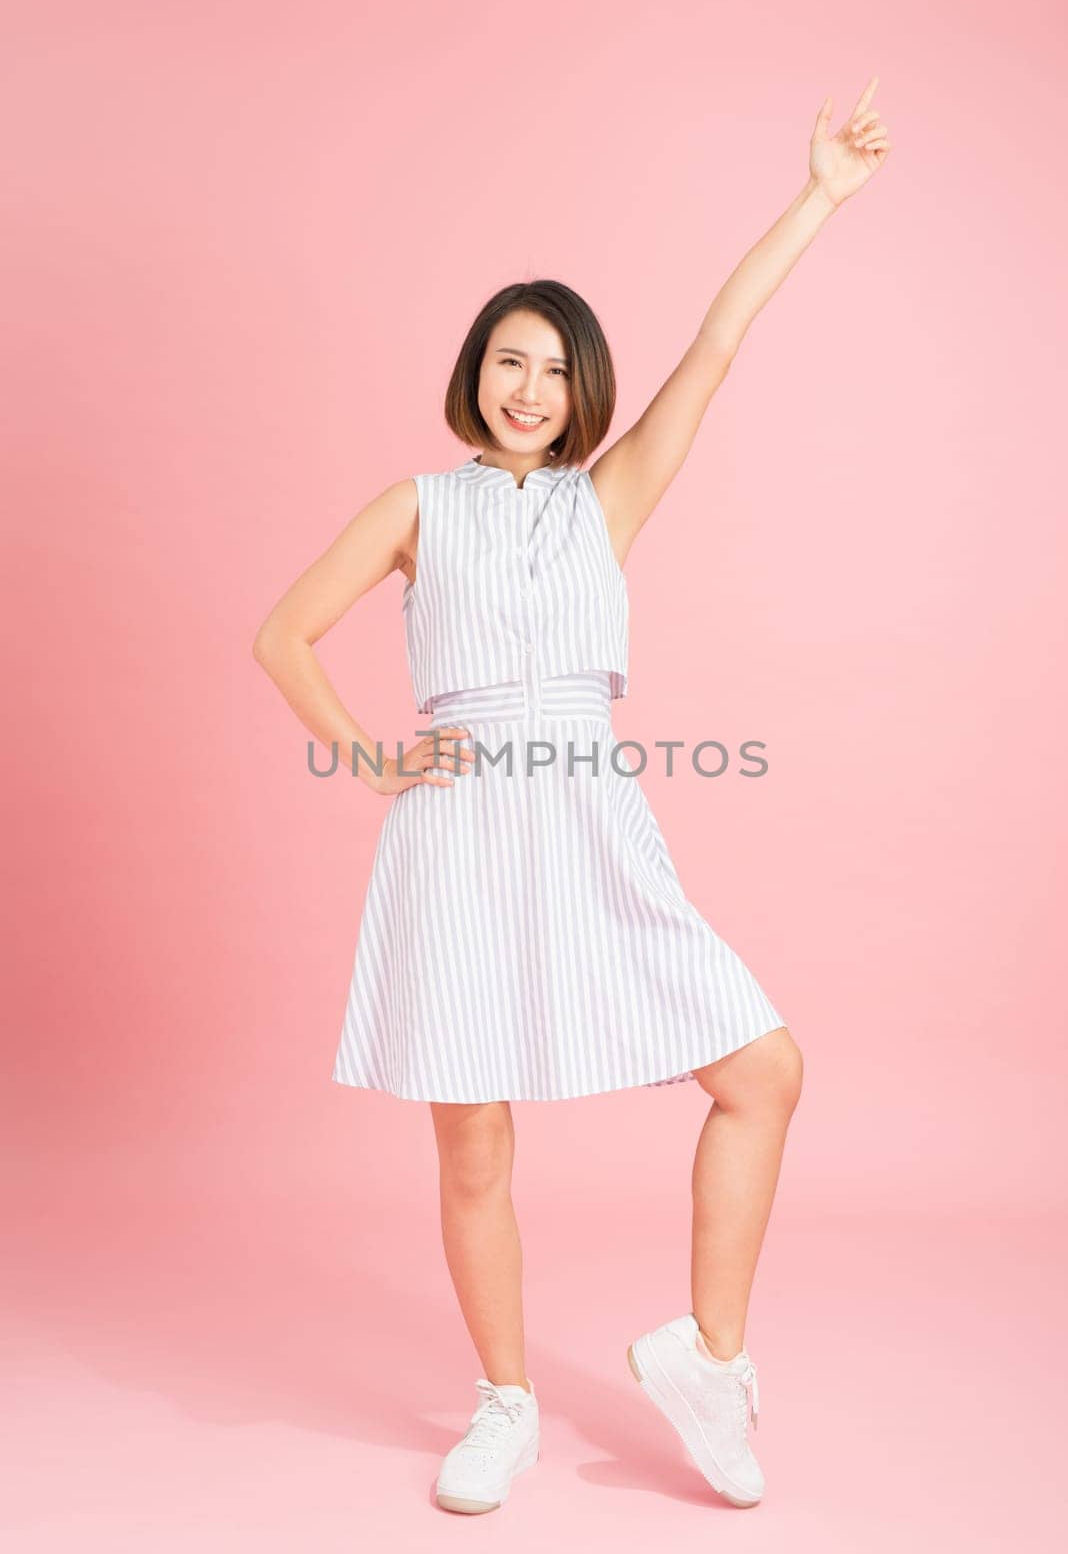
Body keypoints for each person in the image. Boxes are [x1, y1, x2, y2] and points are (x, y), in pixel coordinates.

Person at [252, 80, 891, 1515]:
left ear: (583, 388)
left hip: (596, 825)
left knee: (762, 1070)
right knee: (474, 1133)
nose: (528, 388)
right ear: (475, 371)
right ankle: (504, 1403)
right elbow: (282, 632)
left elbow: (719, 344)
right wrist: (369, 757)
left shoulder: (611, 501)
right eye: (507, 360)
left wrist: (820, 199)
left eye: (553, 368)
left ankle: (707, 1360)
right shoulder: (418, 506)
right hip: (459, 830)